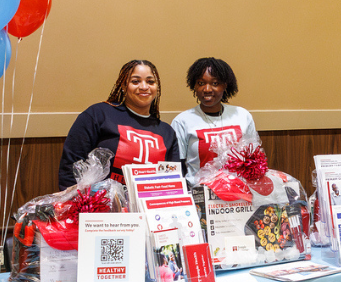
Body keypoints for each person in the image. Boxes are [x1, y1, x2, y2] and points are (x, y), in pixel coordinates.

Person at [58, 60, 178, 189]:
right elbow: (71, 166)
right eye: (135, 81)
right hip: (100, 205)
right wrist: (75, 203)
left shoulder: (167, 132)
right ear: (123, 85)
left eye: (150, 82)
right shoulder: (98, 114)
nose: (144, 87)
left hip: (150, 205)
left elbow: (172, 179)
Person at [172, 57, 257, 184]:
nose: (207, 89)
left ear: (225, 85)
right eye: (201, 83)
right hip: (200, 195)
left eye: (215, 83)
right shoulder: (182, 121)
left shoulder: (242, 115)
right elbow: (177, 167)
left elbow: (254, 160)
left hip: (240, 194)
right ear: (194, 86)